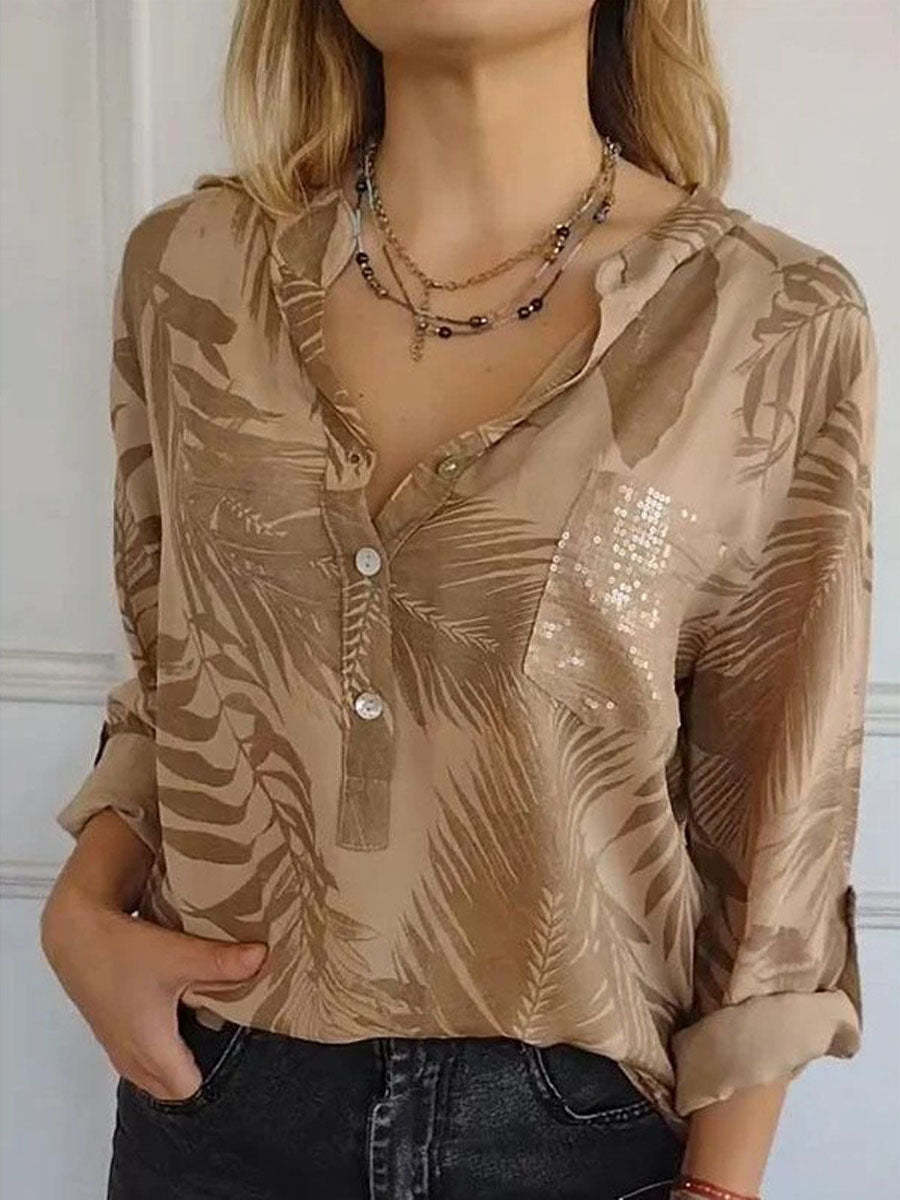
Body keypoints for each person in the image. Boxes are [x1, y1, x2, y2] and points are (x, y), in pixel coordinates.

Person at [40, 2, 878, 1198]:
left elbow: (778, 810)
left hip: (572, 1130)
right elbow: (171, 672)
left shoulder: (770, 320)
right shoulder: (189, 270)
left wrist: (721, 1186)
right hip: (216, 1090)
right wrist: (80, 910)